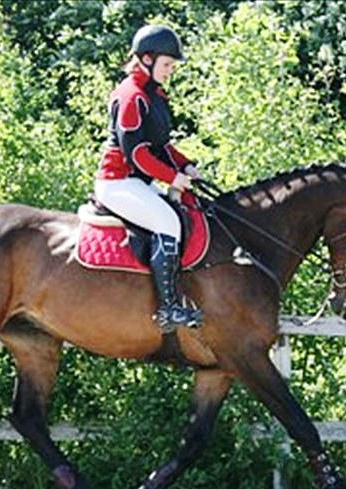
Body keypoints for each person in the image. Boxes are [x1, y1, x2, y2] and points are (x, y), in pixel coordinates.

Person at [95, 24, 203, 333]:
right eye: (167, 64)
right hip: (118, 183)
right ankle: (168, 309)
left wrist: (187, 166)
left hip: (138, 182)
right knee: (167, 223)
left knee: (186, 213)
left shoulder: (153, 95)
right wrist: (173, 178)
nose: (170, 71)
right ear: (146, 59)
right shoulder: (131, 97)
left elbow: (162, 146)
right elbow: (137, 155)